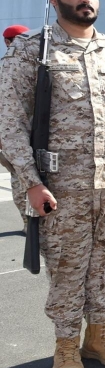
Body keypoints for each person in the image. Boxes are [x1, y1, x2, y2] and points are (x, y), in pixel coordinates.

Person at [0, 0, 105, 368]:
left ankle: (98, 336)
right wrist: (31, 182)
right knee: (67, 267)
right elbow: (9, 122)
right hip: (59, 187)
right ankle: (66, 344)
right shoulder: (30, 51)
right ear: (54, 0)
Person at [1, 24, 31, 225]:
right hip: (15, 136)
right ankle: (29, 225)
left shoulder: (38, 64)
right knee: (21, 180)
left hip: (32, 133)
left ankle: (33, 226)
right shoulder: (4, 67)